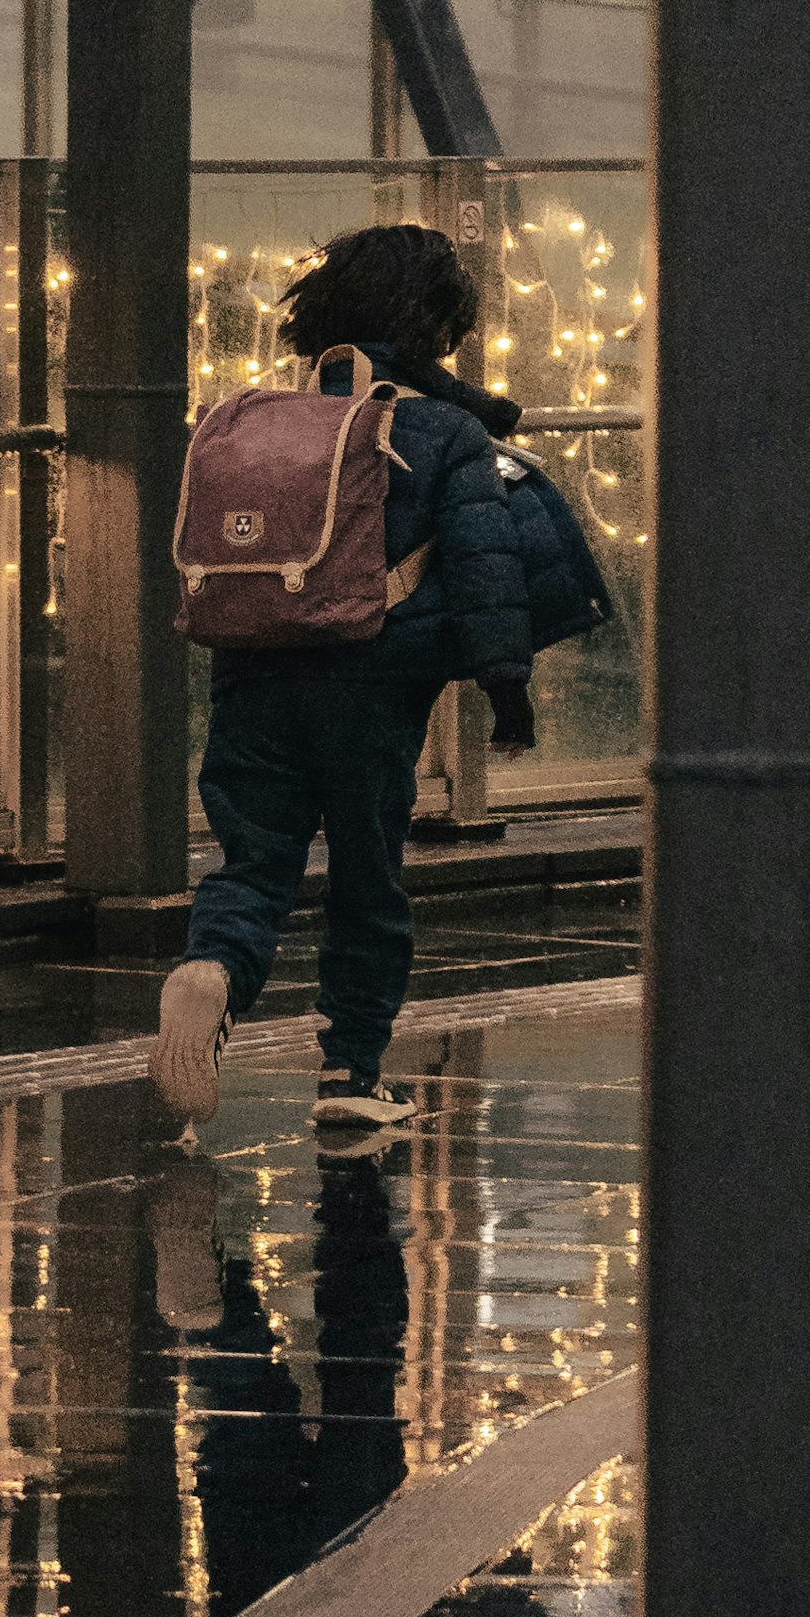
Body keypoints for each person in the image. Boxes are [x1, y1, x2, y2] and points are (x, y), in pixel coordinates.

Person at [153, 220, 534, 1152]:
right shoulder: (443, 431)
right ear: (440, 321)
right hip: (370, 685)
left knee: (254, 862)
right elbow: (486, 564)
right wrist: (506, 682)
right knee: (369, 879)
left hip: (251, 671)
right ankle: (350, 1076)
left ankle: (212, 967)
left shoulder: (258, 418)